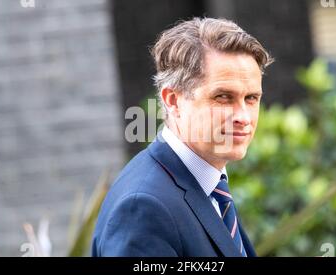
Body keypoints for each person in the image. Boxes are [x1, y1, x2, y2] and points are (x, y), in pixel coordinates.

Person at [92, 17, 273, 257]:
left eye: (251, 98)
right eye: (223, 97)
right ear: (173, 100)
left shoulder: (210, 185)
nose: (243, 117)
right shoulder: (143, 208)